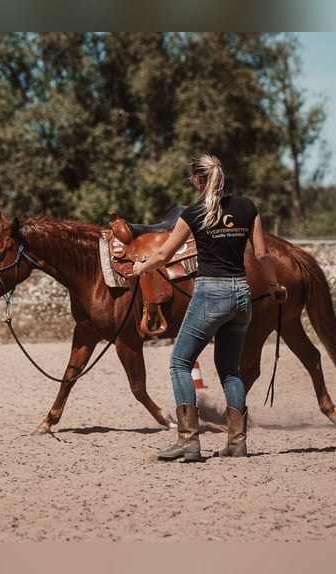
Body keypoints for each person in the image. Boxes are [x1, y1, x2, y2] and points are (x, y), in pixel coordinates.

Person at [132, 154, 287, 461]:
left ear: (197, 180)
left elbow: (163, 254)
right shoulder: (247, 207)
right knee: (231, 371)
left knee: (179, 363)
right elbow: (262, 253)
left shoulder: (193, 213)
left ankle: (188, 440)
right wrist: (273, 286)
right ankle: (237, 441)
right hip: (242, 296)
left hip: (210, 294)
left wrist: (140, 268)